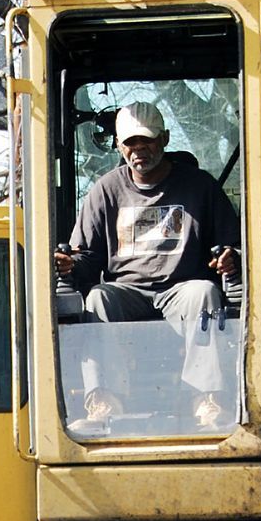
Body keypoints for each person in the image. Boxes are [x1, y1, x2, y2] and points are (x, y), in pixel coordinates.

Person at [53, 100, 241, 429]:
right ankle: (104, 401)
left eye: (147, 140)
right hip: (128, 292)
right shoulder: (105, 191)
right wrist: (70, 265)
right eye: (130, 142)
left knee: (204, 293)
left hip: (180, 291)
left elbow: (232, 243)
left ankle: (206, 400)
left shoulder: (200, 186)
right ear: (119, 146)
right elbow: (87, 258)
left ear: (165, 139)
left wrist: (230, 258)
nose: (138, 149)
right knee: (99, 296)